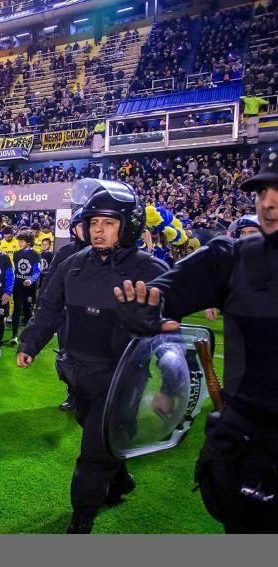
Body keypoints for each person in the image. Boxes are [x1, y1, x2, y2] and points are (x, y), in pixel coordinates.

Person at [115, 153, 278, 533]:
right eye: (262, 191)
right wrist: (141, 311)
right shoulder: (232, 257)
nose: (269, 202)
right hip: (250, 445)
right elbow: (163, 293)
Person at [16, 181, 168, 533]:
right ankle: (120, 481)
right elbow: (49, 309)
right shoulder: (72, 263)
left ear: (128, 226)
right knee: (99, 435)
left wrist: (169, 386)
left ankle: (80, 523)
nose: (98, 231)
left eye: (109, 223)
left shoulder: (150, 270)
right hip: (77, 372)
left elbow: (169, 336)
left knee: (91, 455)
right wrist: (29, 344)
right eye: (94, 223)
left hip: (123, 376)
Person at [47, 208, 88, 412]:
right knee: (68, 358)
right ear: (74, 228)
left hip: (99, 318)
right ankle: (73, 395)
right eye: (82, 225)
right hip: (68, 316)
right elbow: (51, 282)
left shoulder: (112, 252)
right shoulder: (65, 252)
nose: (87, 230)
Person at [9, 230, 41, 344]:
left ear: (28, 242)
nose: (20, 243)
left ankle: (27, 336)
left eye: (22, 241)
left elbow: (37, 271)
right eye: (19, 241)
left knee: (28, 311)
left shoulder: (36, 255)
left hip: (30, 287)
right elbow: (15, 270)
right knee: (16, 310)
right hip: (18, 286)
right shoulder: (16, 254)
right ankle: (14, 336)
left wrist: (30, 280)